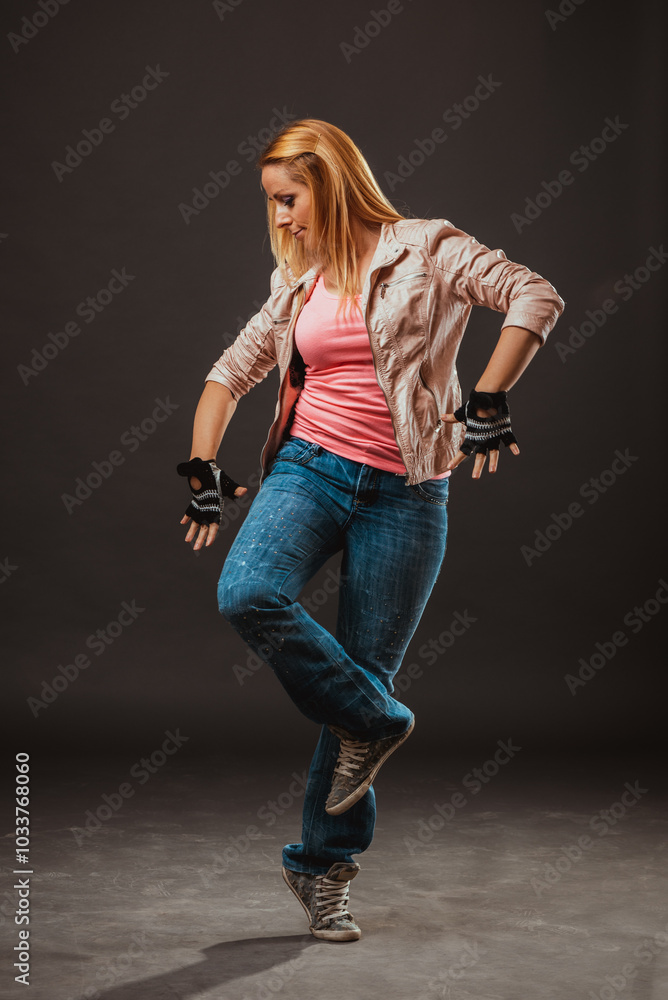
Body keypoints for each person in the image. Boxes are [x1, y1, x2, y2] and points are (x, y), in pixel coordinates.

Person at [176, 118, 565, 942]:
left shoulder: (429, 248)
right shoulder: (297, 284)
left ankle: (322, 869)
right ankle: (378, 719)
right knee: (250, 594)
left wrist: (488, 394)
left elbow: (535, 294)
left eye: (289, 198)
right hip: (310, 470)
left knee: (361, 677)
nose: (280, 217)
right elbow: (228, 374)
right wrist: (202, 465)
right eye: (272, 202)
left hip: (408, 493)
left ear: (331, 182)